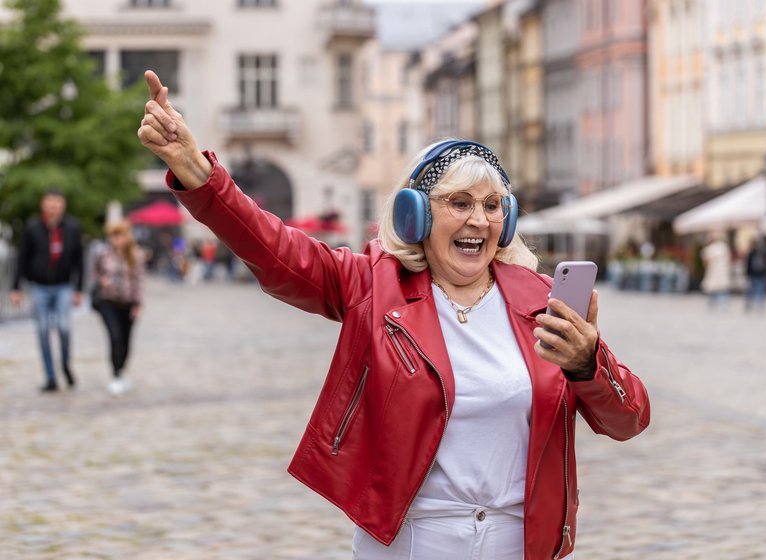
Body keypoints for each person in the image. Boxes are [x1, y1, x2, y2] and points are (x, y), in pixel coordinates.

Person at [137, 70, 650, 560]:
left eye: (493, 205)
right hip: (411, 544)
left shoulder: (541, 301)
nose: (479, 219)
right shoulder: (372, 287)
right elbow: (275, 250)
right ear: (417, 215)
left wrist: (588, 364)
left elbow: (628, 419)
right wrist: (199, 173)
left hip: (520, 544)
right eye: (460, 202)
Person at [11, 189, 84, 392]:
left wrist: (79, 289)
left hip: (63, 286)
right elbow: (22, 257)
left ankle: (66, 365)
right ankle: (51, 377)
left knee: (63, 328)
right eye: (50, 203)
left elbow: (80, 260)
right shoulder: (33, 227)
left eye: (57, 203)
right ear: (43, 205)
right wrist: (16, 287)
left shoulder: (72, 227)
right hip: (39, 287)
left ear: (63, 205)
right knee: (43, 331)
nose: (53, 207)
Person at [91, 219, 146, 395]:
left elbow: (139, 280)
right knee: (115, 337)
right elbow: (95, 273)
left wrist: (138, 304)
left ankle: (121, 371)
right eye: (114, 235)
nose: (118, 239)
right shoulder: (103, 253)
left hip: (128, 302)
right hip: (108, 302)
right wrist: (102, 281)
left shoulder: (136, 254)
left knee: (126, 341)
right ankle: (115, 376)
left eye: (121, 235)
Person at [700, 231, 732, 310]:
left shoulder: (709, 249)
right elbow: (729, 260)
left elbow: (706, 263)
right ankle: (724, 307)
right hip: (723, 273)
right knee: (722, 290)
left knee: (712, 291)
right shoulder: (724, 247)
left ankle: (712, 307)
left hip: (713, 273)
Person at [744, 237, 766, 312]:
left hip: (752, 274)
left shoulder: (751, 253)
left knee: (751, 290)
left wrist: (747, 273)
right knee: (760, 290)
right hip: (760, 274)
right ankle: (760, 304)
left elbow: (748, 264)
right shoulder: (762, 252)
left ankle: (750, 304)